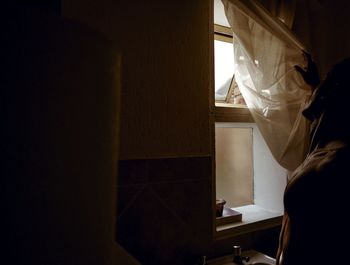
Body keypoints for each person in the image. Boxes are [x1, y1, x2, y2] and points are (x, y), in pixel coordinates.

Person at [276, 54, 350, 265]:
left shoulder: (338, 162)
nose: (323, 85)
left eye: (331, 78)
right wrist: (314, 86)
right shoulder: (322, 144)